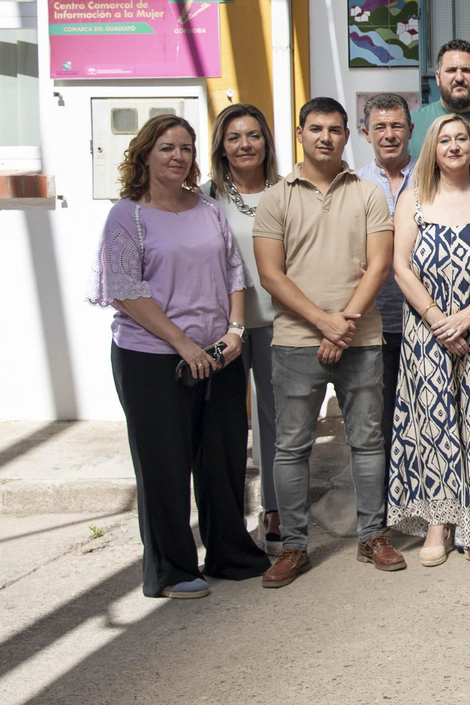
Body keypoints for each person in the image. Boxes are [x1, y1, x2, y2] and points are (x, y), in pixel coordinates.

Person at [91, 114, 268, 600]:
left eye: (186, 149)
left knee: (223, 458)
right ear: (145, 154)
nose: (178, 157)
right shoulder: (126, 215)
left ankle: (230, 554)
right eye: (167, 148)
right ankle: (170, 570)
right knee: (164, 464)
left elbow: (234, 271)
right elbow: (126, 291)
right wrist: (184, 345)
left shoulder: (207, 208)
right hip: (152, 359)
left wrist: (234, 332)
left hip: (220, 353)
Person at [254, 97, 400, 587]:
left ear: (347, 136)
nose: (325, 137)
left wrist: (346, 322)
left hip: (361, 339)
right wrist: (324, 321)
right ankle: (294, 547)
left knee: (367, 441)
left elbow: (379, 265)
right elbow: (271, 275)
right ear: (300, 134)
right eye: (315, 128)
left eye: (335, 130)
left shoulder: (368, 193)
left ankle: (372, 536)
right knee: (292, 447)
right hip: (296, 341)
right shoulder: (276, 197)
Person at [387, 113, 470, 566]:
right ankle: (439, 523)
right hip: (426, 332)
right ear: (432, 148)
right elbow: (401, 266)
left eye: (462, 138)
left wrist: (465, 318)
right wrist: (438, 319)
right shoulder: (414, 199)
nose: (455, 145)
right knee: (436, 422)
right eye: (445, 139)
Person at [203, 103, 282, 554]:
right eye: (234, 137)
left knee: (276, 419)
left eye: (253, 135)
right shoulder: (205, 196)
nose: (245, 144)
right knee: (229, 423)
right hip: (224, 328)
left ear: (266, 142)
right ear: (222, 145)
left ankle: (275, 509)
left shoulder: (286, 190)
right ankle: (229, 519)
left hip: (277, 322)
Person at [359, 93, 413, 499]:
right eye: (380, 127)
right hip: (374, 323)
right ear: (365, 133)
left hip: (427, 320)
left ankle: (427, 505)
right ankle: (379, 511)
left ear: (411, 130)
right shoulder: (355, 185)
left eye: (397, 126)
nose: (389, 134)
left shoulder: (432, 178)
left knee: (424, 419)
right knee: (376, 421)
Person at [411, 39, 470, 177]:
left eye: (467, 70)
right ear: (438, 77)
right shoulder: (413, 125)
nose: (459, 78)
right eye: (451, 70)